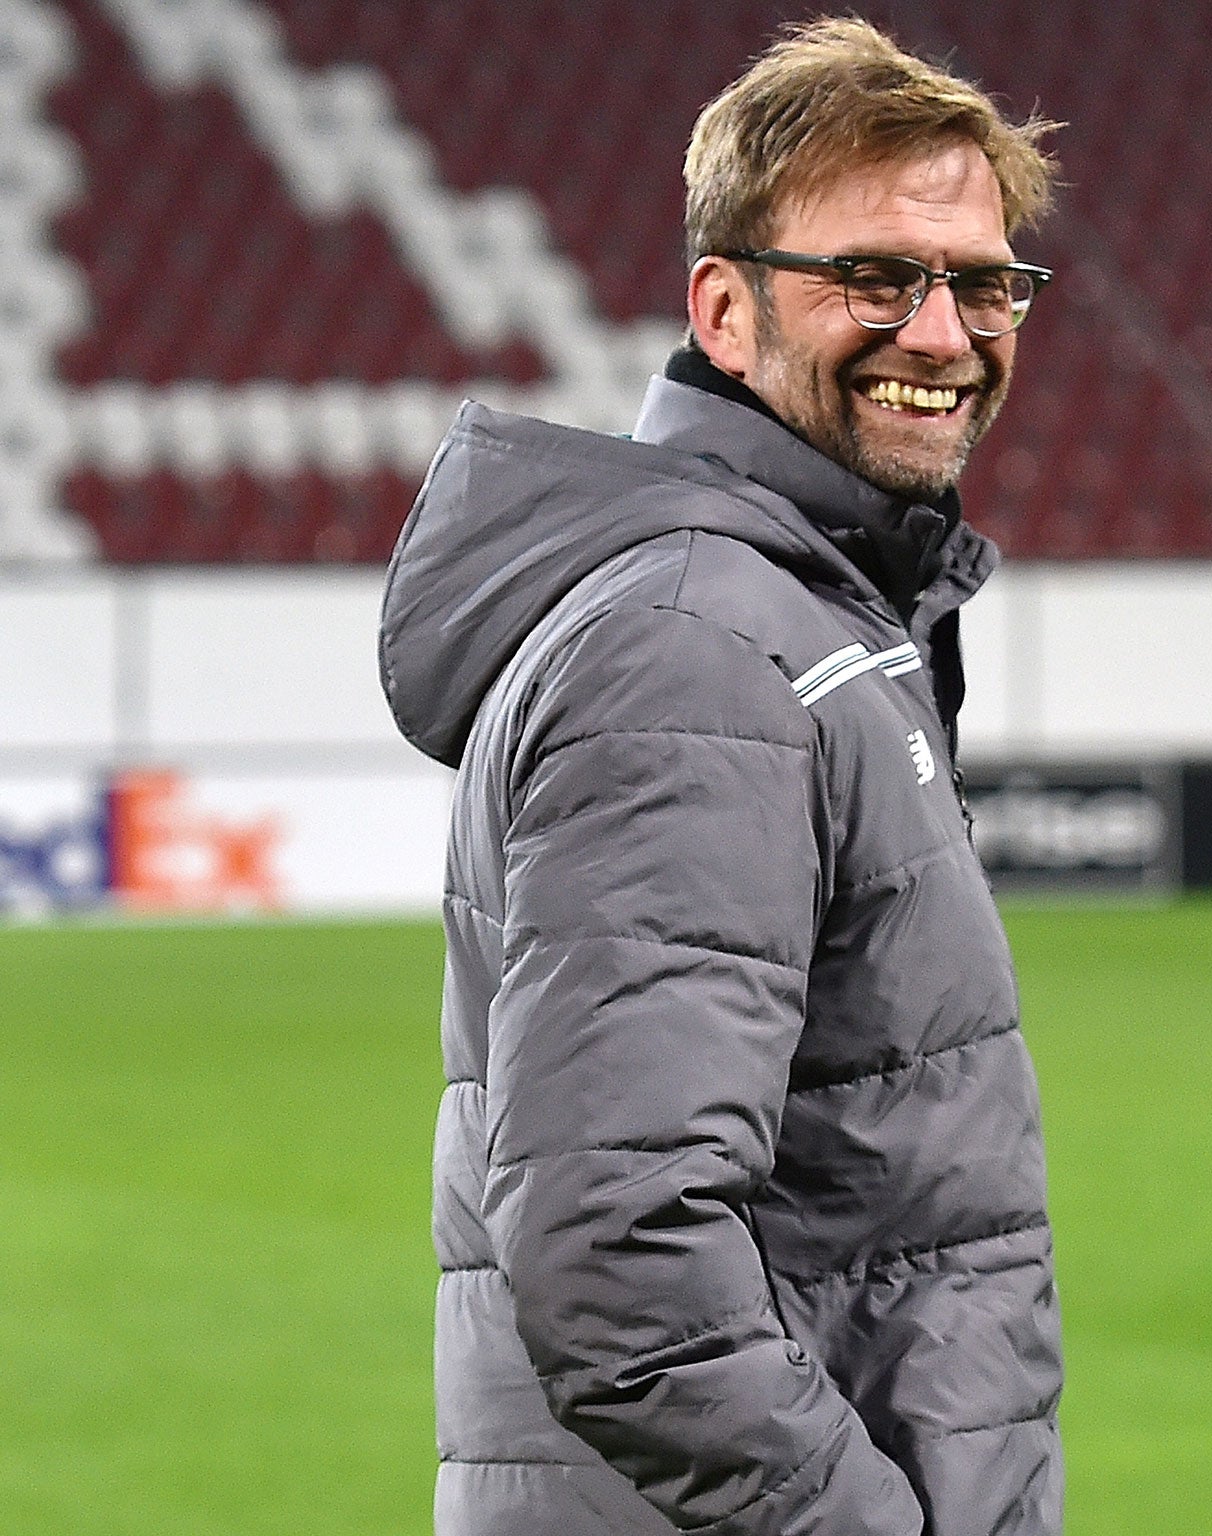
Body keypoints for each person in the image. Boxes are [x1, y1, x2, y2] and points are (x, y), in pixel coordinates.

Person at [378, 19, 1062, 1535]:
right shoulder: (695, 645)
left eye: (983, 282)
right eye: (876, 277)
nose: (944, 332)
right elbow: (620, 1245)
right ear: (725, 311)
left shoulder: (803, 613)